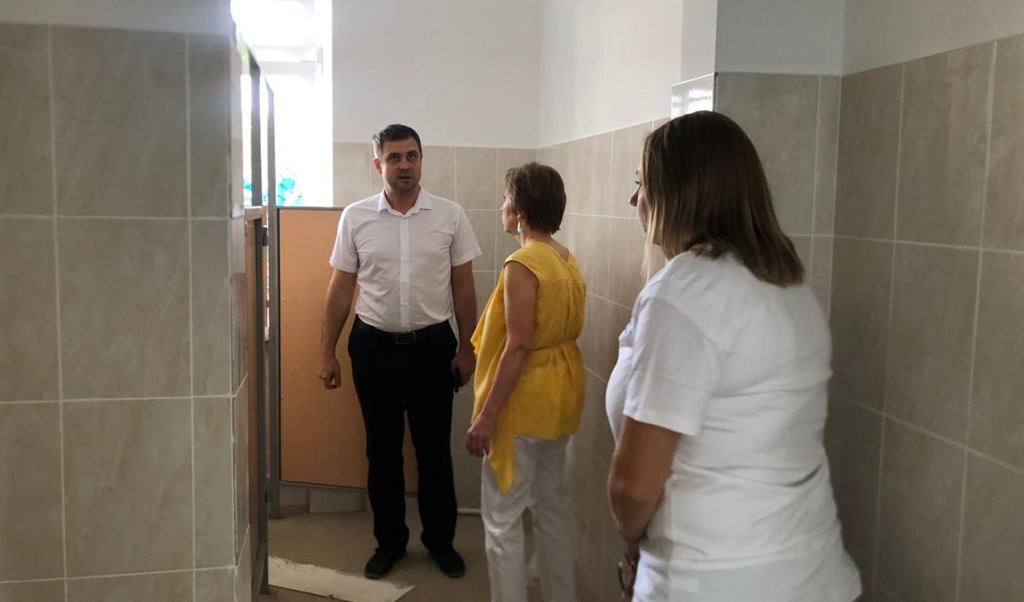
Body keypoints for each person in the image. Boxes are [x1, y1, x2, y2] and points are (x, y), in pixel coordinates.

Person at [605, 111, 861, 601]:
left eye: (643, 184)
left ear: (679, 192)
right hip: (815, 574)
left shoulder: (684, 292)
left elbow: (633, 486)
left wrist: (632, 540)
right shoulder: (791, 287)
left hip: (711, 579)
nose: (636, 201)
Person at [319, 123, 480, 580]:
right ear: (379, 165)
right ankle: (389, 541)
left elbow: (464, 286)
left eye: (411, 156)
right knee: (382, 451)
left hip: (433, 350)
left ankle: (440, 541)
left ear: (421, 161)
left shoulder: (450, 215)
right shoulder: (356, 218)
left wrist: (467, 348)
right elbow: (340, 288)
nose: (404, 165)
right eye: (394, 157)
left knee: (434, 451)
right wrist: (326, 352)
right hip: (373, 349)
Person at [466, 163, 586, 602]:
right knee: (552, 509)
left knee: (502, 520)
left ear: (519, 209)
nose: (501, 207)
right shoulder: (565, 259)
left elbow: (517, 345)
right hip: (560, 397)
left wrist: (487, 416)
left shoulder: (522, 263)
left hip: (524, 402)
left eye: (505, 199)